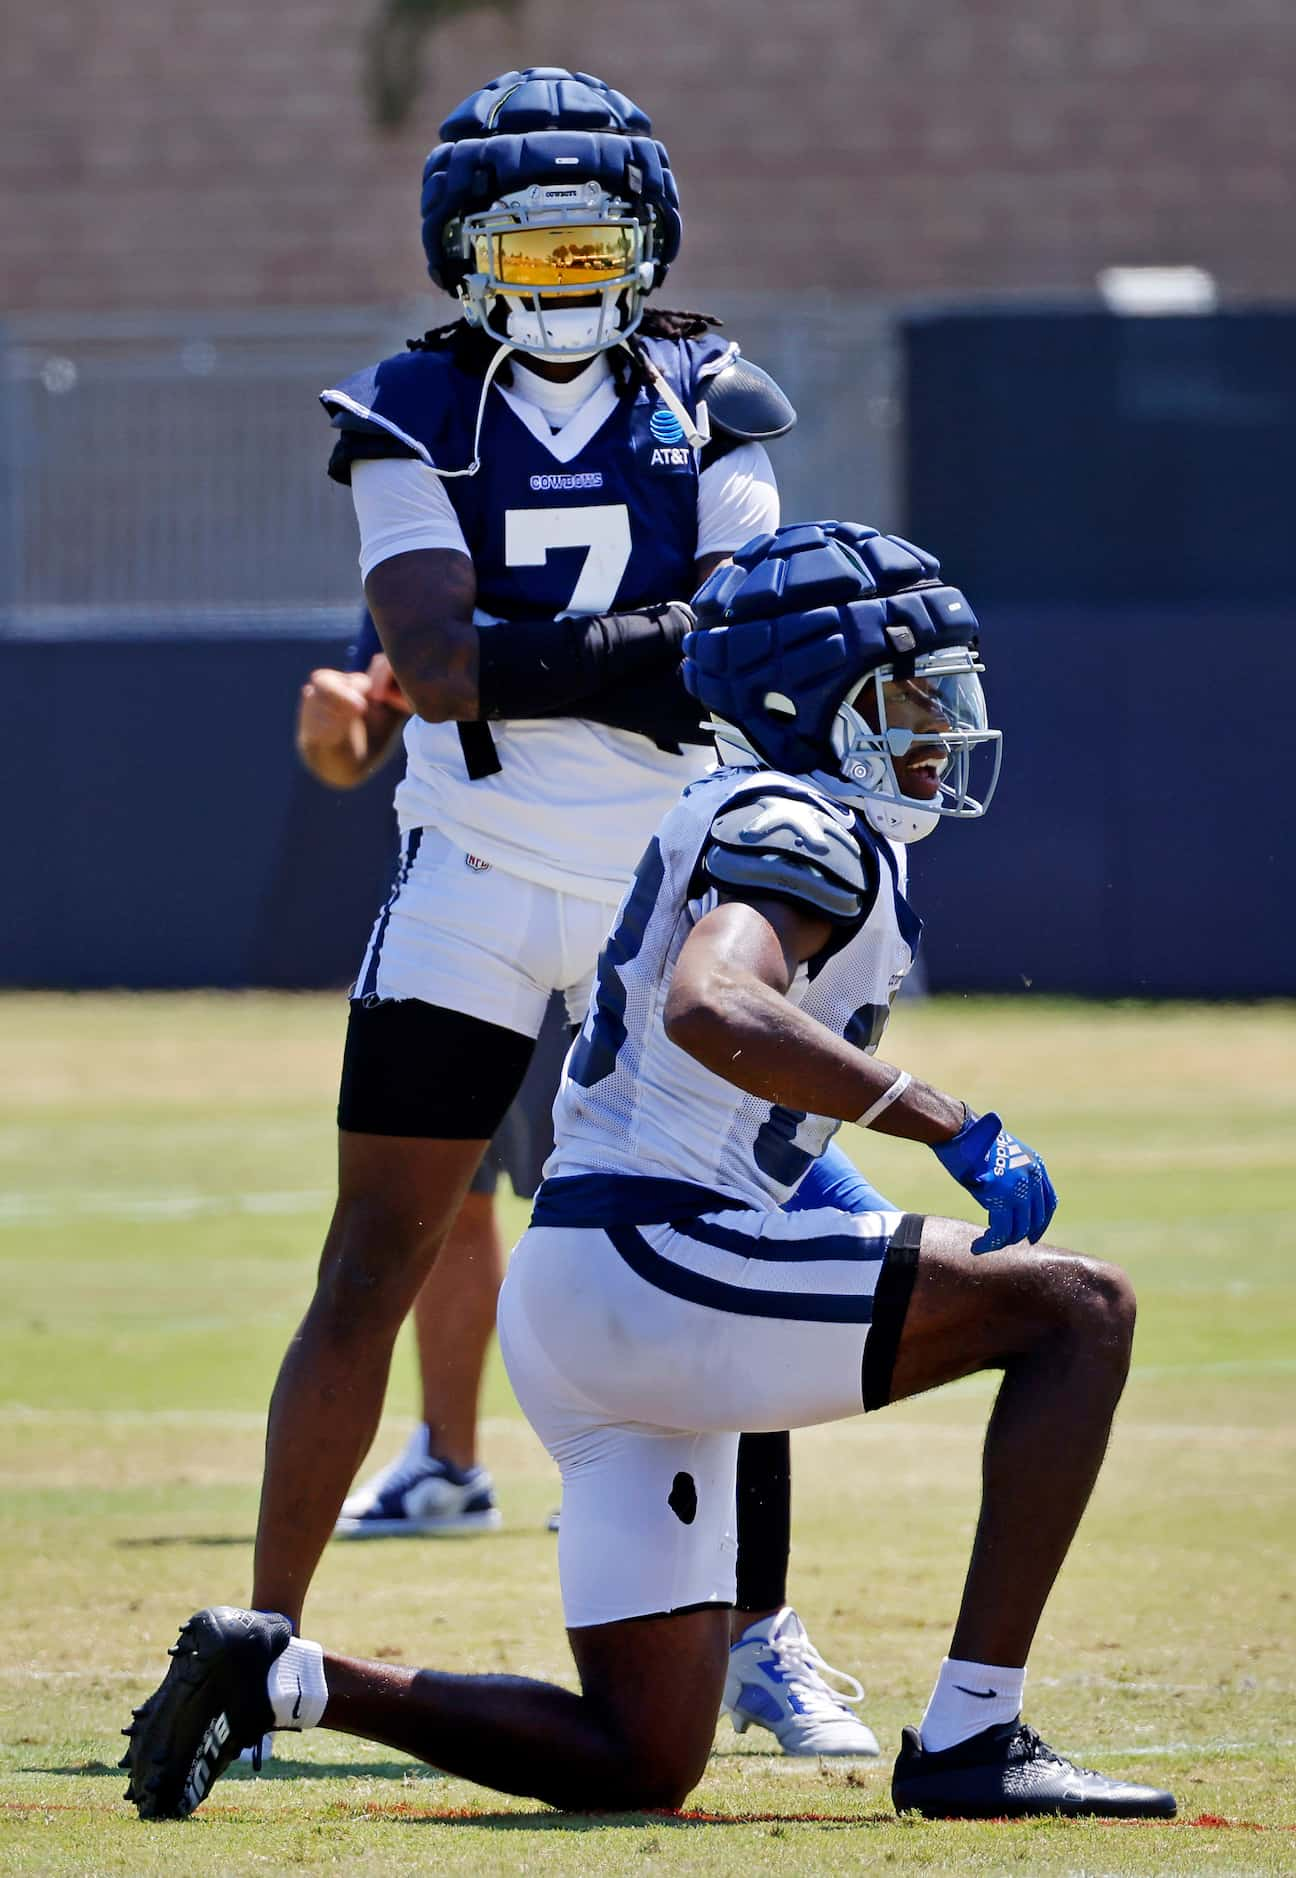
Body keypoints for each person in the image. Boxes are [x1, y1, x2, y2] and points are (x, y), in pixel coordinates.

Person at [123, 522, 1177, 1822]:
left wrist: (861, 1194)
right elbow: (708, 1000)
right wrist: (938, 1117)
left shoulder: (731, 806)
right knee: (1080, 1310)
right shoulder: (800, 818)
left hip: (591, 1293)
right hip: (663, 1267)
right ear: (812, 698)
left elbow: (728, 1104)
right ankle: (974, 1736)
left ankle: (280, 1677)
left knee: (641, 1752)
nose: (939, 726)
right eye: (914, 696)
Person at [226, 65, 879, 1754]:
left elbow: (739, 644)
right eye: (534, 242)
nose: (570, 272)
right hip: (477, 889)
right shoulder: (407, 409)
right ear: (466, 253)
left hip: (668, 901)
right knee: (370, 1255)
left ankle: (762, 1630)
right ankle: (255, 1639)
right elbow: (433, 663)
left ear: (647, 243)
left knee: (725, 1257)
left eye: (596, 240)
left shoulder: (710, 395)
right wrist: (627, 661)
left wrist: (526, 670)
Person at [295, 618, 566, 1536]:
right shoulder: (421, 535)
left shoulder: (620, 506)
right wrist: (334, 734)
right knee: (451, 1197)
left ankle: (633, 1466)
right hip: (454, 902)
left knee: (614, 1192)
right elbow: (367, 741)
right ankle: (449, 1468)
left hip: (594, 888)